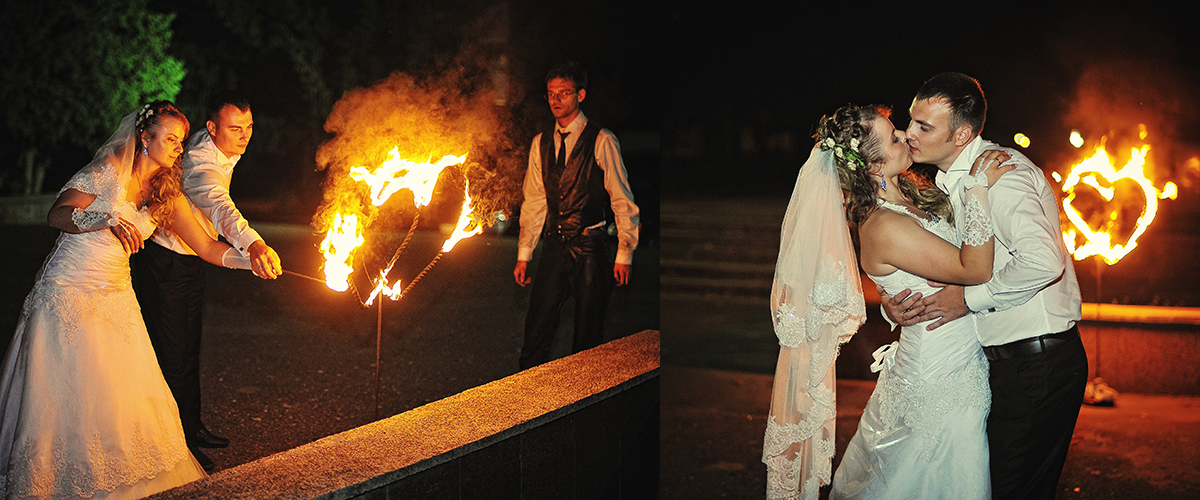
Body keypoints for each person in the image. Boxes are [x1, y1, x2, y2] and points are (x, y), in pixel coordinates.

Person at [0, 101, 254, 498]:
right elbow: (58, 214)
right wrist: (105, 218)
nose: (178, 148)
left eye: (181, 141)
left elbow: (206, 247)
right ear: (144, 137)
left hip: (116, 291)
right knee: (65, 388)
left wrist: (251, 259)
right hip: (67, 288)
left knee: (122, 387)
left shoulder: (166, 192)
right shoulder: (105, 173)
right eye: (169, 139)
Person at [762, 104, 1014, 499]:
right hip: (940, 374)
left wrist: (889, 302)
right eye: (894, 137)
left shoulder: (912, 197)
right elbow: (976, 268)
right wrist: (979, 188)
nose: (906, 137)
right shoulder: (885, 224)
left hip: (948, 360)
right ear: (874, 166)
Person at [881, 72, 1087, 499]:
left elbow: (1043, 261)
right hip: (997, 363)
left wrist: (969, 300)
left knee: (1012, 488)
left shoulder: (1003, 176)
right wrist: (891, 305)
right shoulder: (948, 180)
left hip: (1038, 361)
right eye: (911, 120)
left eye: (924, 126)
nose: (908, 133)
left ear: (961, 134)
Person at [133, 92, 281, 471]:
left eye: (249, 127)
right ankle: (177, 441)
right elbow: (219, 205)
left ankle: (193, 427)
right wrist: (254, 244)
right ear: (212, 128)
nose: (245, 136)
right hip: (167, 263)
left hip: (193, 257)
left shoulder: (209, 142)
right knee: (172, 354)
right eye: (235, 129)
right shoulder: (199, 162)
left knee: (190, 349)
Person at [512, 62, 640, 370]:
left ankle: (583, 407)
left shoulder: (602, 139)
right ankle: (528, 402)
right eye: (551, 94)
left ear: (580, 95)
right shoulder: (541, 142)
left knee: (587, 336)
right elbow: (535, 200)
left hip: (590, 246)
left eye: (564, 93)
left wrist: (625, 252)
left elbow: (621, 196)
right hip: (554, 245)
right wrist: (524, 253)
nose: (556, 100)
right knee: (537, 329)